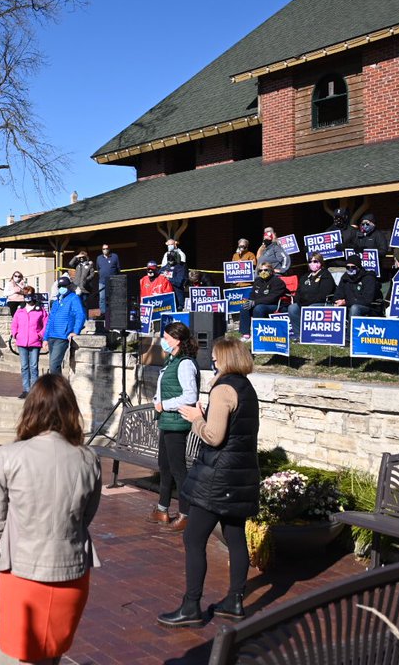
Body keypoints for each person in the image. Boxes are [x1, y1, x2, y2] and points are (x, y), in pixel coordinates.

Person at [0, 374, 101, 664]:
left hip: (21, 567)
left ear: (31, 409)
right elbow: (87, 514)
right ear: (70, 410)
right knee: (54, 652)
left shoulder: (8, 455)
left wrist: (20, 532)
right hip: (71, 564)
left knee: (29, 654)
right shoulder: (88, 458)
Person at [158, 337, 259, 628]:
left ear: (225, 359)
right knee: (235, 537)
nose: (212, 361)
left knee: (193, 538)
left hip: (218, 477)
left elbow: (214, 436)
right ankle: (235, 600)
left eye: (215, 357)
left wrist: (195, 418)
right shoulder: (246, 387)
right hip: (240, 475)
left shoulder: (224, 388)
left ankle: (191, 606)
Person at [150, 322, 200, 532]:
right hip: (167, 420)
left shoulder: (185, 364)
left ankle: (186, 514)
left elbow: (190, 396)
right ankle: (162, 509)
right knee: (164, 465)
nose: (164, 341)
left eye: (167, 337)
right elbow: (164, 388)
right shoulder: (171, 361)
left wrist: (165, 405)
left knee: (178, 469)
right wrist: (157, 400)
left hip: (177, 422)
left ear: (177, 340)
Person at [43, 276, 86, 375]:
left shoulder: (74, 298)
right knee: (53, 366)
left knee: (54, 365)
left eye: (64, 286)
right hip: (52, 336)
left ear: (69, 286)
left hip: (62, 336)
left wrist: (76, 331)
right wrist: (45, 338)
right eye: (60, 286)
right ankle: (57, 384)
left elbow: (80, 315)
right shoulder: (56, 301)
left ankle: (57, 384)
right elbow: (50, 320)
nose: (62, 288)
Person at [11, 291, 48, 399]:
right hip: (22, 342)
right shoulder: (20, 310)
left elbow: (46, 324)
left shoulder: (40, 310)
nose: (27, 297)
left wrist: (40, 335)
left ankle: (34, 391)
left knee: (34, 366)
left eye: (29, 295)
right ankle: (26, 390)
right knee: (24, 367)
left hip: (35, 342)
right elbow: (14, 324)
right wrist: (15, 334)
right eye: (25, 295)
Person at [289, 253, 333, 341]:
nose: (312, 263)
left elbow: (324, 294)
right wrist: (299, 301)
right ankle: (298, 335)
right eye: (310, 261)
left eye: (315, 261)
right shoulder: (305, 276)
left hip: (319, 303)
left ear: (320, 263)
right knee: (293, 308)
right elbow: (298, 292)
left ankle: (311, 335)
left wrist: (308, 302)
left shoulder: (326, 275)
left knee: (310, 308)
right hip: (304, 303)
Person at [238, 264, 286, 341]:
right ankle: (245, 334)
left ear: (271, 271)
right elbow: (252, 295)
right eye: (260, 270)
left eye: (265, 270)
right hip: (259, 303)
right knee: (245, 307)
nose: (263, 272)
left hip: (275, 305)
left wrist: (255, 302)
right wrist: (250, 301)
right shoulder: (258, 281)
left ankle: (257, 334)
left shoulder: (277, 282)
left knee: (258, 308)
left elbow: (272, 298)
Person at [334, 253, 379, 318]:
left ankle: (351, 325)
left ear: (358, 267)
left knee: (354, 308)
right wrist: (338, 302)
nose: (350, 269)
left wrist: (346, 302)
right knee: (331, 306)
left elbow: (367, 300)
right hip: (348, 304)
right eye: (348, 267)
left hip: (368, 307)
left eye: (353, 267)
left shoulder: (368, 278)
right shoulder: (345, 278)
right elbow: (337, 295)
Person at [321, 207, 358, 281]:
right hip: (331, 268)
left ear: (345, 217)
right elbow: (321, 248)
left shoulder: (352, 231)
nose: (337, 220)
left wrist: (345, 247)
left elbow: (358, 247)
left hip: (347, 267)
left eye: (340, 217)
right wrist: (309, 250)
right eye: (336, 217)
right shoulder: (328, 231)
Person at [352, 214, 389, 281]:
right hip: (361, 269)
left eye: (367, 224)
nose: (365, 226)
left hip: (374, 269)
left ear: (373, 223)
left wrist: (369, 252)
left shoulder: (378, 235)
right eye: (363, 224)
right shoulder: (359, 235)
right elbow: (353, 246)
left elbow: (383, 250)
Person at [96, 244, 121, 322]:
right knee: (102, 298)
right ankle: (103, 313)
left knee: (113, 298)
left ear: (109, 249)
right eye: (103, 249)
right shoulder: (99, 258)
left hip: (113, 281)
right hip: (102, 282)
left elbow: (118, 268)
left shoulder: (115, 256)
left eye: (106, 248)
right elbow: (98, 268)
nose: (105, 250)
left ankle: (114, 313)